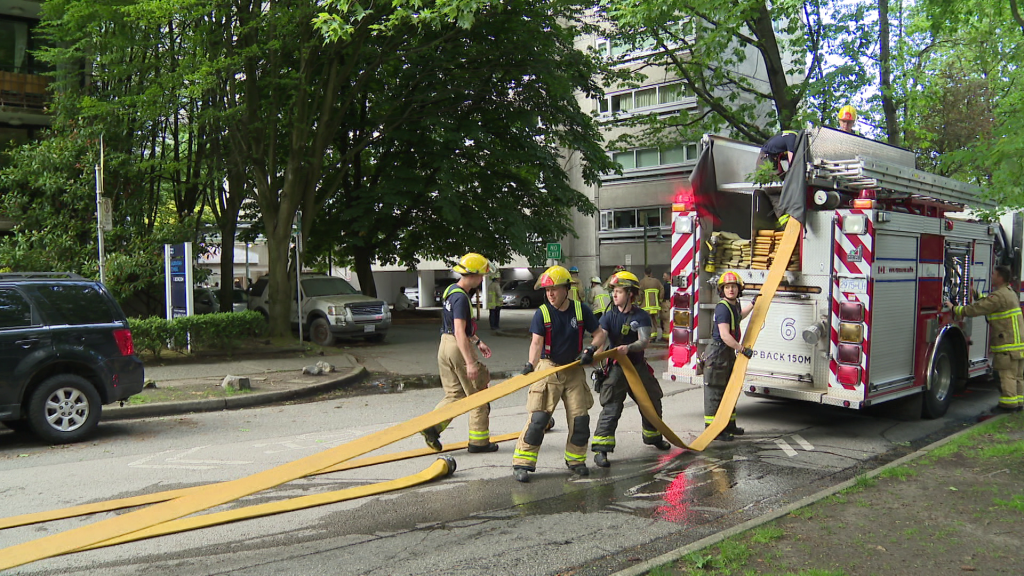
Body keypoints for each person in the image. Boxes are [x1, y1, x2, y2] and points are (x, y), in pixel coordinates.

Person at [512, 265, 607, 482]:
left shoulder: (581, 309)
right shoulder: (542, 313)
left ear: (566, 289)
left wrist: (590, 349)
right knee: (538, 418)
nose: (550, 294)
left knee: (580, 420)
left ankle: (576, 460)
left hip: (573, 370)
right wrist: (530, 364)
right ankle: (522, 463)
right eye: (547, 291)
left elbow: (599, 334)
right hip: (549, 368)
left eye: (554, 289)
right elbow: (536, 342)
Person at [419, 252, 500, 453]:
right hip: (456, 345)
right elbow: (458, 331)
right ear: (472, 275)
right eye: (481, 275)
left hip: (444, 345)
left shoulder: (451, 291)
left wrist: (478, 341)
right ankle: (479, 442)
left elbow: (456, 328)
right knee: (478, 394)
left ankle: (432, 427)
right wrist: (471, 363)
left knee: (455, 393)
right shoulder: (462, 299)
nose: (483, 279)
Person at [591, 271, 671, 468]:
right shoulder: (608, 316)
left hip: (636, 366)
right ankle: (601, 450)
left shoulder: (641, 316)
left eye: (619, 291)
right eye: (614, 292)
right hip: (616, 369)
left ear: (631, 295)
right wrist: (593, 352)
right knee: (611, 407)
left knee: (652, 401)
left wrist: (629, 348)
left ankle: (653, 437)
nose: (614, 295)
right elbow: (601, 337)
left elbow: (644, 341)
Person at [945, 265, 1024, 413]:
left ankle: (1008, 406)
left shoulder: (998, 296)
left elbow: (976, 309)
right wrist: (974, 293)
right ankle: (1018, 404)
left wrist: (954, 308)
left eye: (994, 274)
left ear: (1000, 278)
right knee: (1017, 376)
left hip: (1006, 344)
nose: (992, 275)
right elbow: (988, 302)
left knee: (1006, 374)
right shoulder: (1009, 293)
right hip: (1017, 345)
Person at [704, 271, 755, 441]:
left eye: (733, 286)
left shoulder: (733, 305)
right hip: (718, 353)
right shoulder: (722, 308)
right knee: (716, 392)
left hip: (726, 353)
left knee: (729, 389)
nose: (730, 289)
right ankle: (714, 430)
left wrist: (753, 305)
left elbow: (738, 317)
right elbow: (725, 335)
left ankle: (729, 425)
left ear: (738, 289)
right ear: (722, 290)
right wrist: (741, 349)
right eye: (727, 287)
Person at [756, 130, 798, 229]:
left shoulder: (787, 136)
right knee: (782, 185)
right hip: (766, 162)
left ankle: (784, 225)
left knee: (778, 190)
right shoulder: (793, 137)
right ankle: (786, 225)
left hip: (770, 161)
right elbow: (793, 163)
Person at [639, 267, 664, 341]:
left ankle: (650, 337)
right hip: (655, 305)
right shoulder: (656, 281)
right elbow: (662, 289)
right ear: (651, 273)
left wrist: (639, 302)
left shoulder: (642, 282)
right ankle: (654, 335)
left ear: (644, 273)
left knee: (648, 322)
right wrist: (660, 299)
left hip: (646, 306)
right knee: (655, 321)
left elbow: (640, 293)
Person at [661, 272, 673, 340]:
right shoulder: (672, 284)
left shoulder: (666, 286)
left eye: (664, 276)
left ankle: (666, 337)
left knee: (666, 320)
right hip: (671, 303)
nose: (663, 277)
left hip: (666, 303)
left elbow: (662, 294)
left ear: (669, 277)